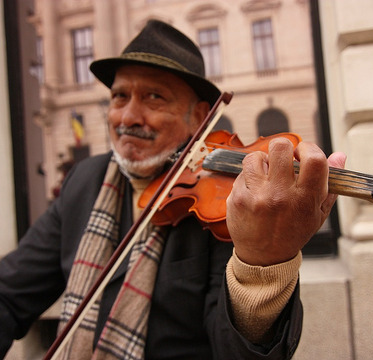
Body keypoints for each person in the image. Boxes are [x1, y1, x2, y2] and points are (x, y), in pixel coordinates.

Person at [0, 20, 346, 359]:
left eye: (154, 98)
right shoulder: (85, 181)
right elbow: (9, 295)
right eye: (120, 97)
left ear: (197, 118)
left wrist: (264, 263)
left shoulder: (228, 201)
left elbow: (238, 351)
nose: (128, 117)